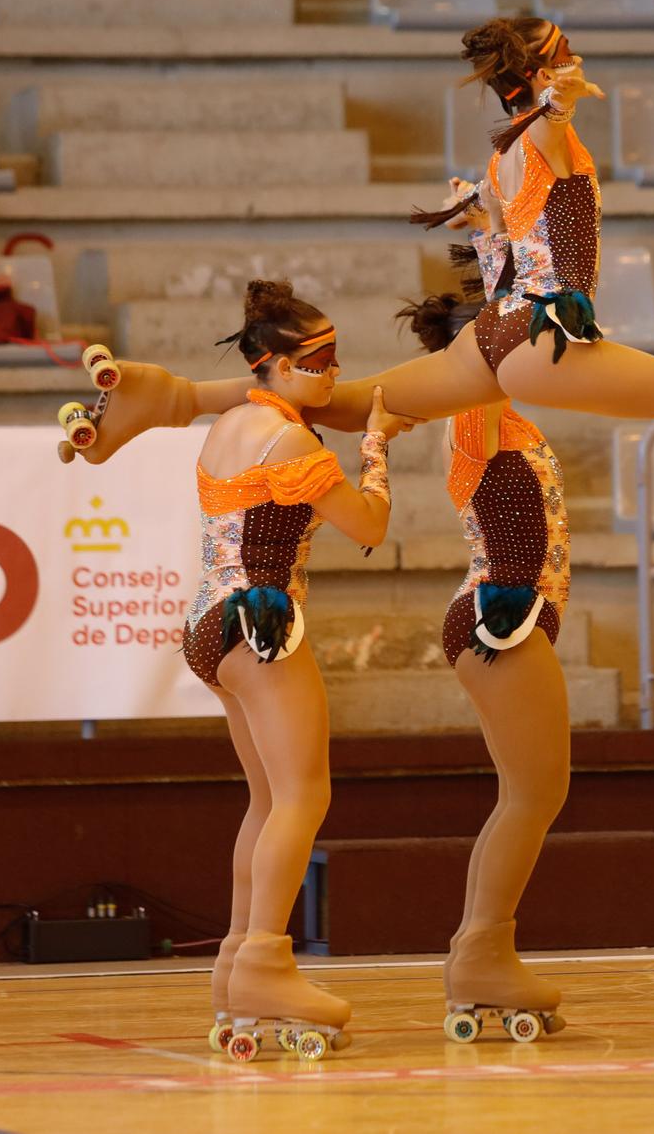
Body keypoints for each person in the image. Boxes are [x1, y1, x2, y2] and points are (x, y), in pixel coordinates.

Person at [66, 19, 654, 483]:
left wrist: (495, 204)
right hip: (544, 342)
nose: (575, 52)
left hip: (500, 335)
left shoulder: (506, 161)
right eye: (559, 49)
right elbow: (544, 132)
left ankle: (175, 394)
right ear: (536, 76)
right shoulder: (541, 138)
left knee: (352, 400)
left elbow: (509, 243)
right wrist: (557, 102)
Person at [194, 281, 415, 1062]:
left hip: (210, 626)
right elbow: (370, 525)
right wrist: (378, 446)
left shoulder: (230, 423)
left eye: (335, 358)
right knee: (304, 793)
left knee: (267, 796)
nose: (332, 374)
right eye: (317, 361)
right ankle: (262, 961)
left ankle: (234, 963)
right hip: (261, 626)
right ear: (273, 364)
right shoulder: (290, 443)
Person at [396, 292, 573, 1041]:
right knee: (536, 795)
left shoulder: (493, 412)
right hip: (500, 618)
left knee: (525, 794)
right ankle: (481, 950)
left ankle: (480, 952)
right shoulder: (477, 413)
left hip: (506, 616)